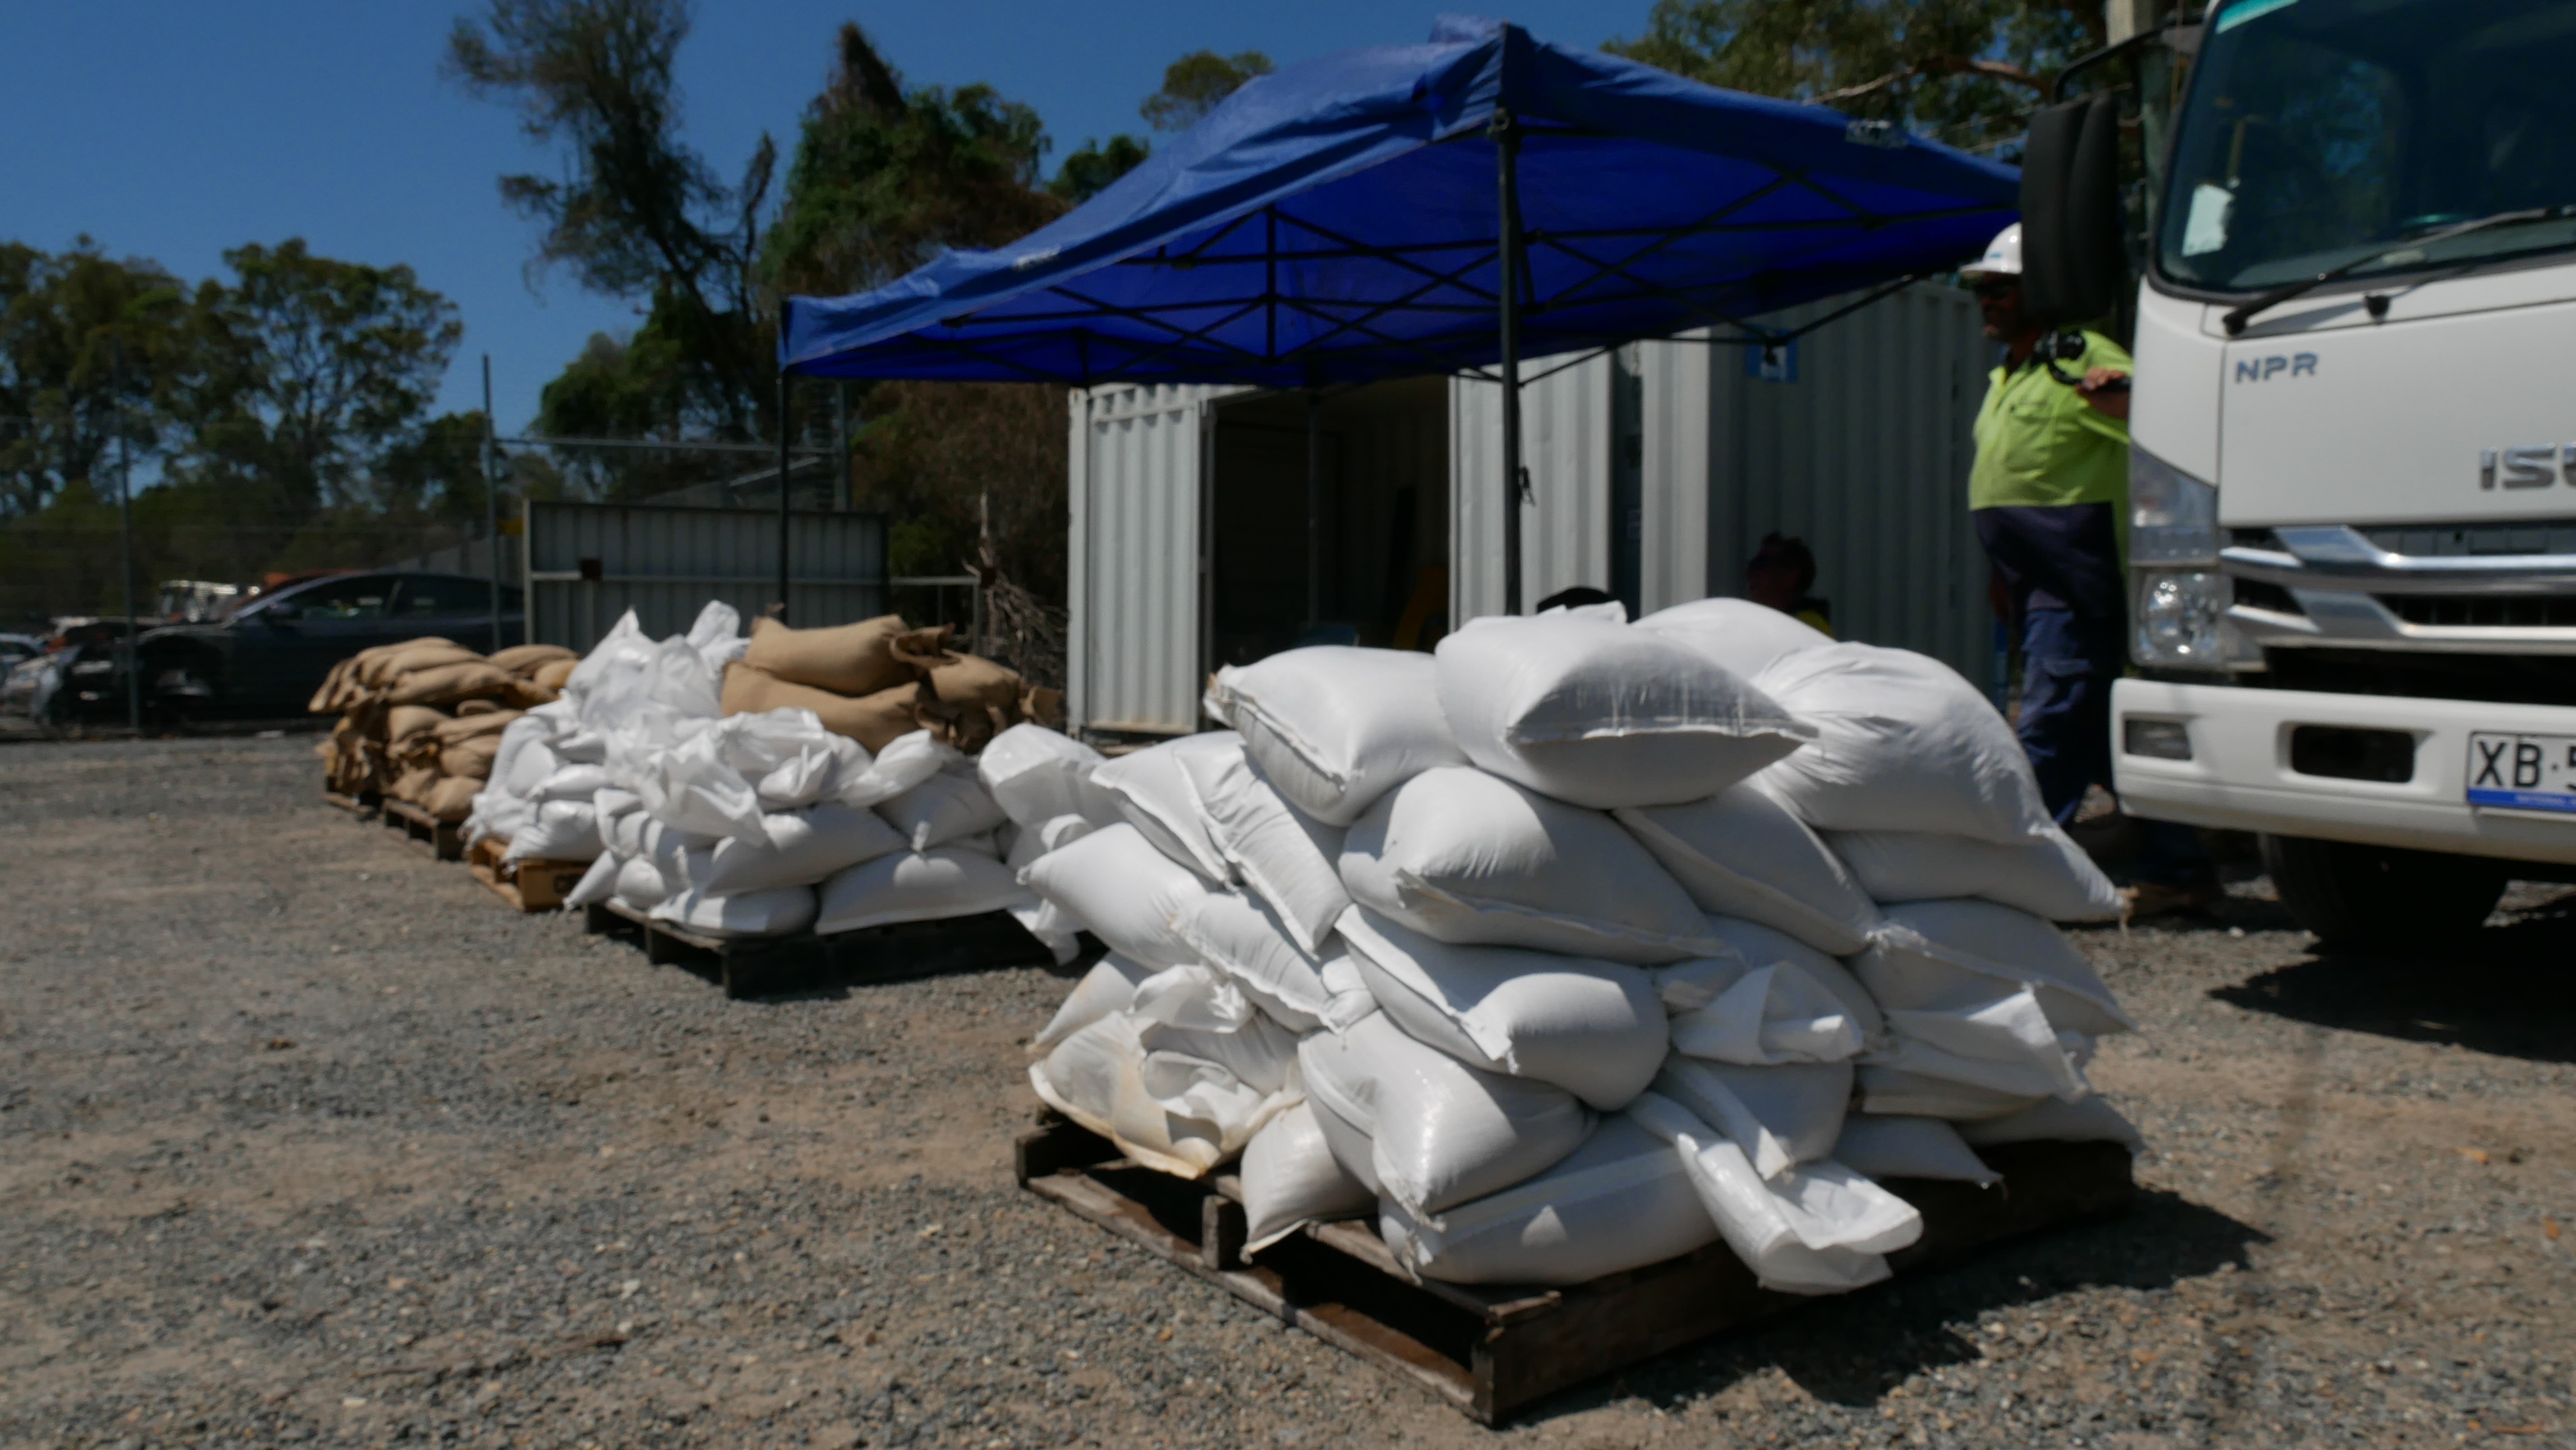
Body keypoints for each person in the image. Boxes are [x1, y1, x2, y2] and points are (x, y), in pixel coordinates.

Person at [1961, 223, 2218, 919]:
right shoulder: (2007, 374)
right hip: (2033, 581)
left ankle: (2017, 879)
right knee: (2104, 736)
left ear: (2042, 291)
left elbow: (2164, 421)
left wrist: (2127, 399)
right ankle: (2181, 870)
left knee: (2048, 725)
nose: (1987, 300)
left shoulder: (2080, 357)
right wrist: (1999, 574)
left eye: (2002, 288)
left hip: (2074, 582)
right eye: (1982, 288)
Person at [1743, 533, 1834, 637]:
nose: (1750, 572)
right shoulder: (1756, 622)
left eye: (1761, 564)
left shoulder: (1808, 627)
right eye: (1752, 564)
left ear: (1791, 576)